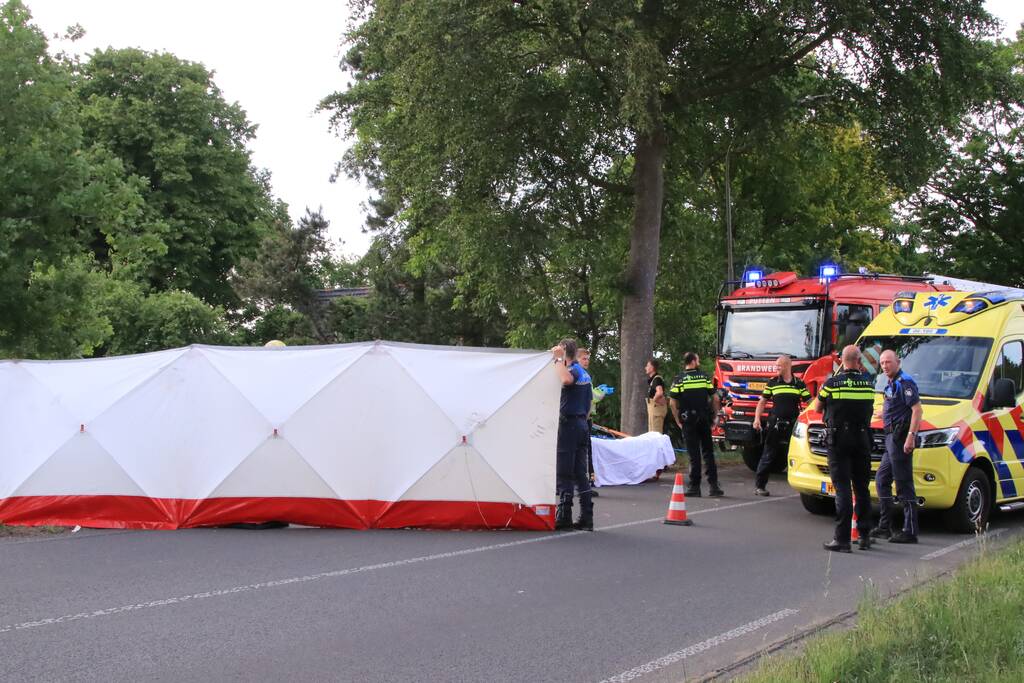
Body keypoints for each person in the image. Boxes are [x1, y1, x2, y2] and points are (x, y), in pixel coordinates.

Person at [813, 345, 875, 552]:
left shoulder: (832, 384)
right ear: (859, 361)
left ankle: (842, 539)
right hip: (862, 439)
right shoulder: (868, 385)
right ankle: (864, 536)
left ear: (841, 361)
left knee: (842, 489)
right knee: (862, 488)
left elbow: (817, 407)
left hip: (839, 440)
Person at [871, 349, 924, 543]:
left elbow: (917, 410)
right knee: (881, 480)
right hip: (890, 439)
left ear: (898, 362)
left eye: (888, 362)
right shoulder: (890, 383)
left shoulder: (905, 382)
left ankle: (910, 531)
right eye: (882, 363)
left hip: (901, 439)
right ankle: (885, 526)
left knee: (903, 484)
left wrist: (911, 436)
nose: (885, 366)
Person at [550, 338, 594, 531]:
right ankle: (586, 516)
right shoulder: (585, 373)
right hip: (582, 424)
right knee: (579, 472)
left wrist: (558, 360)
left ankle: (564, 514)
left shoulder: (573, 371)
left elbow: (566, 379)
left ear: (563, 350)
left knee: (564, 470)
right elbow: (589, 405)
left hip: (570, 425)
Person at [752, 355, 811, 496]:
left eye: (778, 366)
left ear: (786, 366)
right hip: (775, 424)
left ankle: (806, 487)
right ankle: (760, 486)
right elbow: (762, 402)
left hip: (793, 424)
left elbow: (810, 402)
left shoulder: (799, 383)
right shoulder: (773, 382)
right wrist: (757, 419)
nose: (776, 368)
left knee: (801, 453)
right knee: (768, 454)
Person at [669, 352, 723, 497]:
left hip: (688, 421)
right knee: (708, 453)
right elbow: (716, 398)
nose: (698, 362)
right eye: (697, 360)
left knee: (694, 454)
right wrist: (715, 416)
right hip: (704, 419)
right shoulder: (704, 377)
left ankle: (694, 487)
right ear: (693, 361)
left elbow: (672, 402)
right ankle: (714, 486)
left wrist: (677, 419)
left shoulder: (679, 379)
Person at [645, 359, 668, 433]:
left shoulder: (657, 379)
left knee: (656, 434)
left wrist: (654, 400)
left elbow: (659, 392)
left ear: (652, 368)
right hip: (653, 409)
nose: (645, 368)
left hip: (656, 409)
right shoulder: (653, 380)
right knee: (652, 433)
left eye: (647, 366)